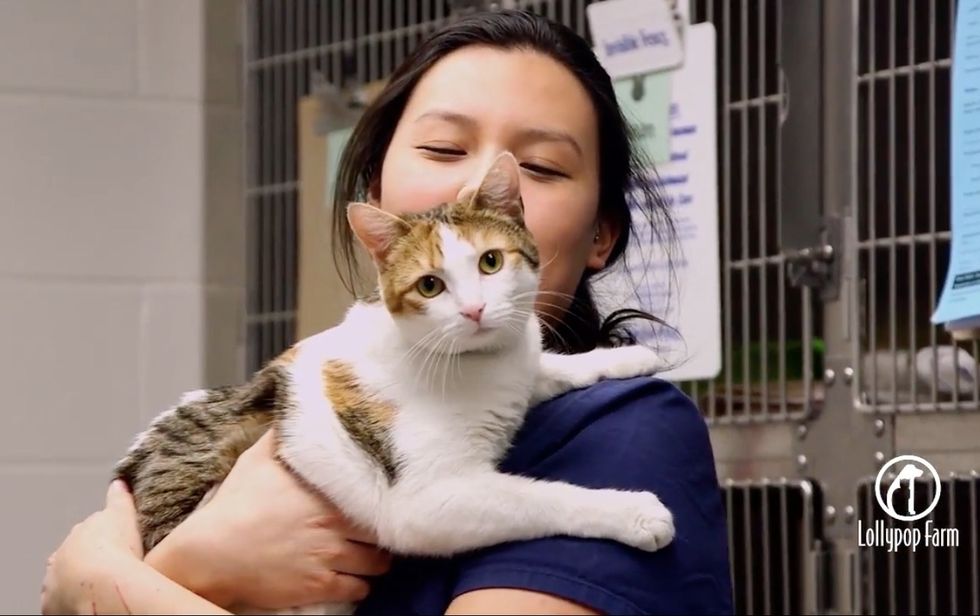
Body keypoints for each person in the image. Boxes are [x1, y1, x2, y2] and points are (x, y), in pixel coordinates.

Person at [41, 9, 733, 615]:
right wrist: (188, 559)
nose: (476, 186)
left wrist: (118, 582)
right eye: (443, 148)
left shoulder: (629, 433)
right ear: (377, 196)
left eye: (542, 167)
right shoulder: (344, 381)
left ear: (602, 233)